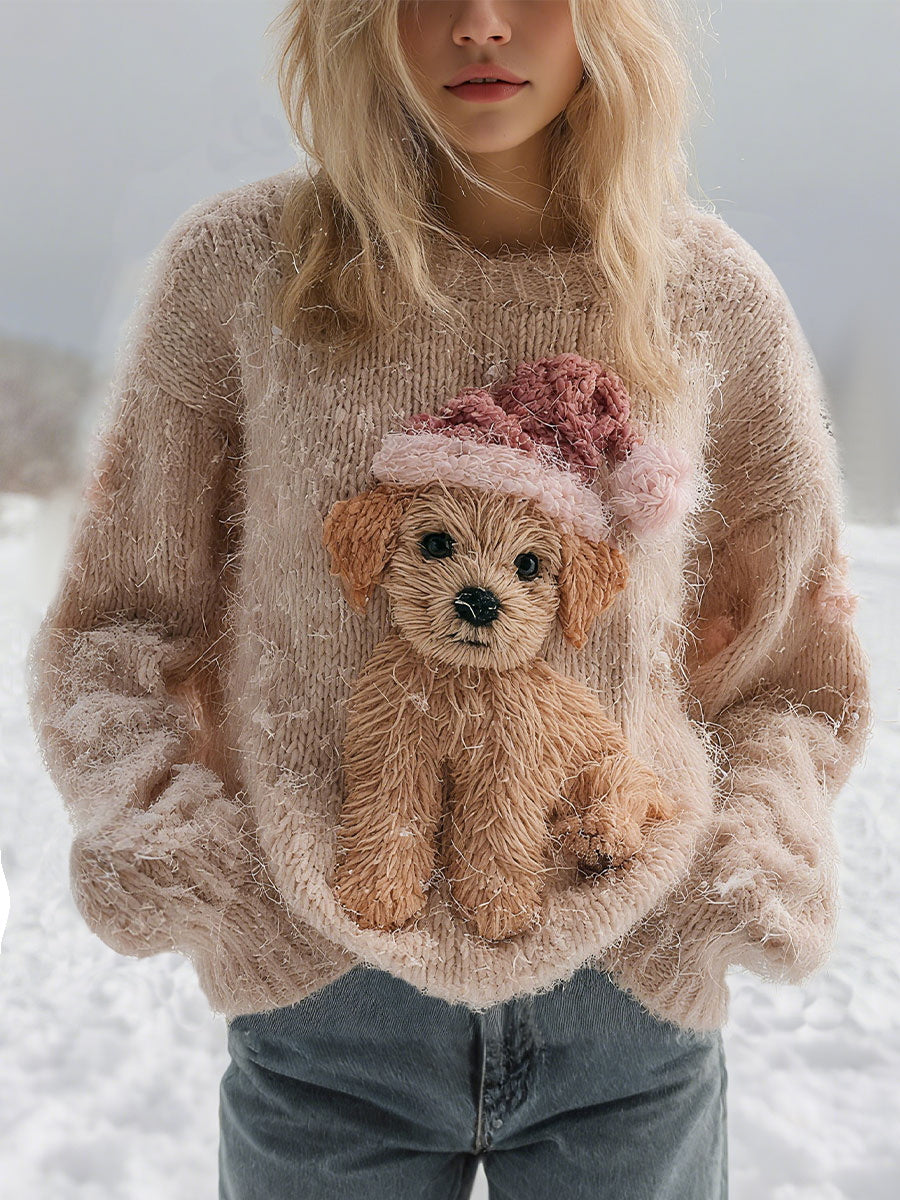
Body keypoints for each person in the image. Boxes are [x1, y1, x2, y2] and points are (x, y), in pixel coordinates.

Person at [23, 2, 873, 1197]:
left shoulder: (708, 296)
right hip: (328, 1002)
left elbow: (793, 665)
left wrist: (720, 887)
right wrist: (219, 884)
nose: (479, 24)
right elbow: (119, 629)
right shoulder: (243, 274)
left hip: (626, 1004)